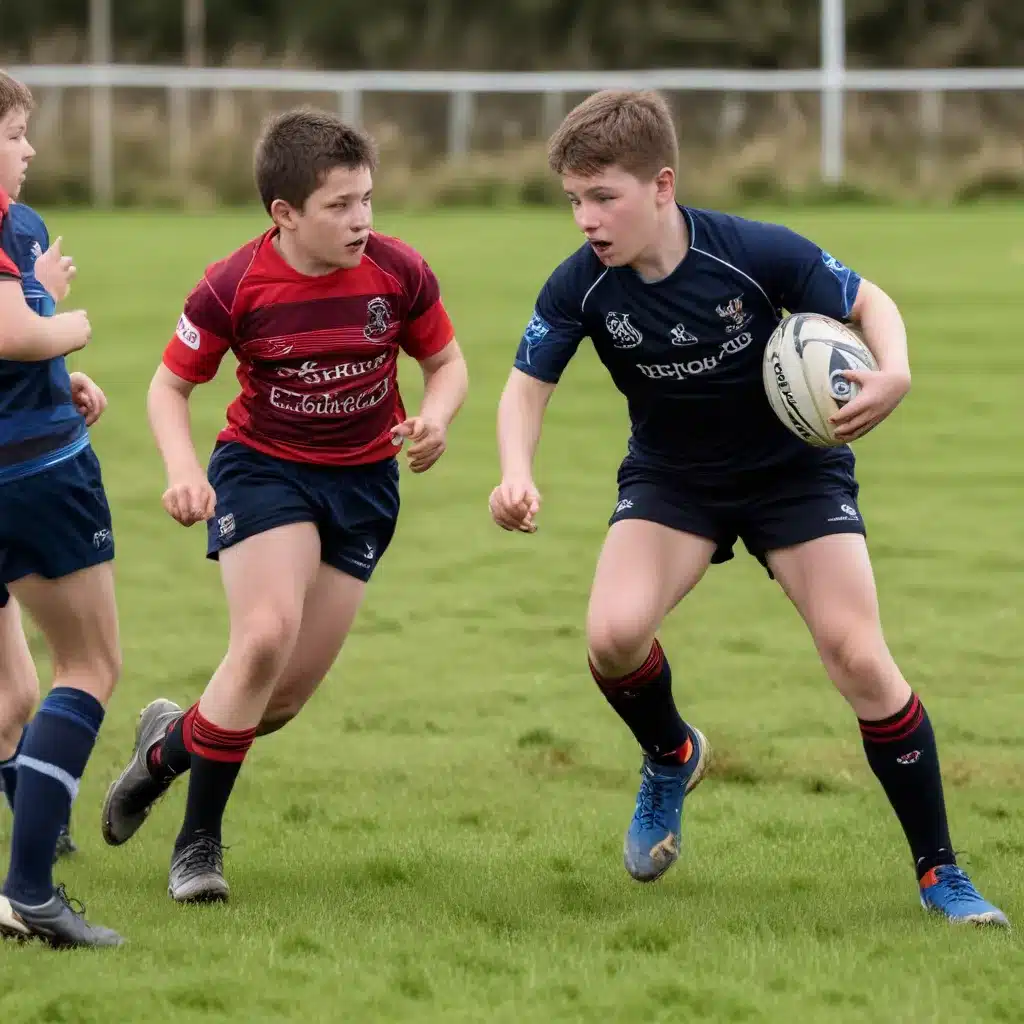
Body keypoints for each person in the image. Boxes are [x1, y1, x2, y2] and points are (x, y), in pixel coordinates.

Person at [488, 89, 1007, 927]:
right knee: (613, 636)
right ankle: (672, 752)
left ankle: (941, 874)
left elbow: (869, 300)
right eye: (574, 200)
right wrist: (515, 472)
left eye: (603, 196)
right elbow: (524, 390)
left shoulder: (751, 252)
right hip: (673, 482)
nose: (586, 218)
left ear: (662, 186)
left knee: (858, 656)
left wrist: (896, 370)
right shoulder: (581, 288)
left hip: (793, 476)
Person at [101, 108, 468, 905]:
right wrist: (181, 468)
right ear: (286, 214)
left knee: (276, 699)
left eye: (367, 199)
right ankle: (198, 847)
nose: (362, 220)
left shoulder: (399, 271)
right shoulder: (234, 286)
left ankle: (166, 750)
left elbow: (448, 363)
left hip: (366, 483)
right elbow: (169, 386)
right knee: (263, 636)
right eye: (340, 205)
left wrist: (436, 416)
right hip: (265, 470)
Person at [0, 70, 124, 948]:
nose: (29, 148)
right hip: (33, 472)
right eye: (14, 133)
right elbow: (11, 332)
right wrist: (65, 327)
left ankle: (34, 837)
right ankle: (30, 892)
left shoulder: (19, 230)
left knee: (13, 694)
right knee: (92, 664)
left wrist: (52, 368)